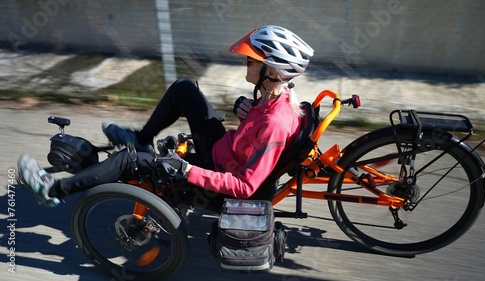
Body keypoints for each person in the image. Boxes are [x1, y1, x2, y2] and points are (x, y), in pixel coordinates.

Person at [18, 25, 314, 209]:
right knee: (185, 89)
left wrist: (186, 170)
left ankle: (51, 190)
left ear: (271, 71)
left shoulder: (274, 122)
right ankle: (141, 137)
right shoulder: (278, 99)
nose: (245, 64)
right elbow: (254, 134)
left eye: (251, 60)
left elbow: (244, 187)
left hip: (219, 183)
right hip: (223, 151)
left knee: (129, 161)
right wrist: (245, 113)